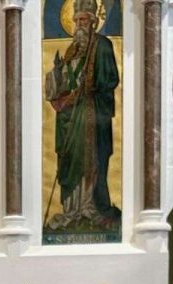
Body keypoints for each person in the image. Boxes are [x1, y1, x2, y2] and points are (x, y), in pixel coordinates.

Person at [43, 0, 120, 234]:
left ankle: (91, 207)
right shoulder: (71, 50)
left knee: (91, 159)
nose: (79, 24)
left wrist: (92, 85)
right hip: (68, 117)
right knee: (69, 161)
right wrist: (56, 76)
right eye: (76, 20)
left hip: (90, 114)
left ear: (94, 22)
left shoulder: (102, 45)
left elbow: (111, 79)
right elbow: (64, 81)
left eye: (83, 20)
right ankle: (72, 209)